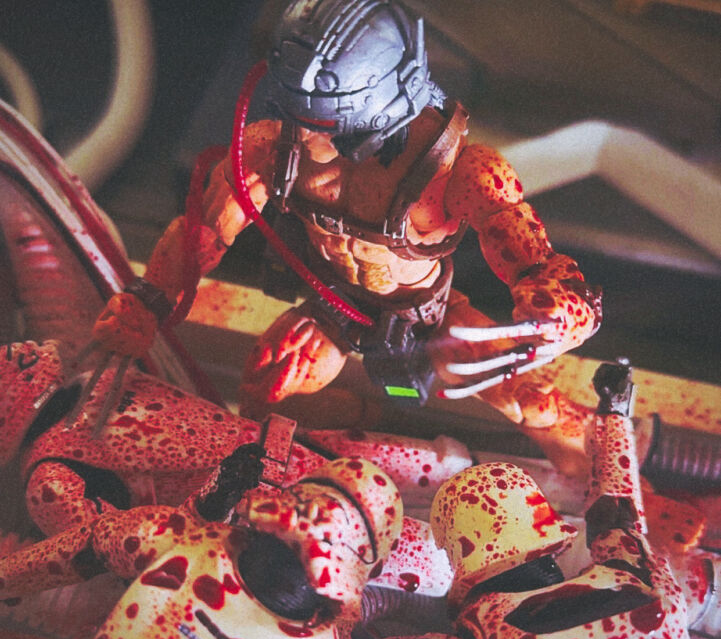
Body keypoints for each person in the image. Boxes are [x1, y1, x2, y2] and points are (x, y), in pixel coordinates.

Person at [90, 0, 601, 476]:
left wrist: (563, 310)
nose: (313, 135)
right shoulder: (274, 145)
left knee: (530, 402)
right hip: (335, 306)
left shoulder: (458, 170)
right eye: (305, 117)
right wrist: (147, 300)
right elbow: (205, 232)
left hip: (426, 310)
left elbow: (534, 259)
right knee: (267, 385)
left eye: (332, 122)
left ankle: (593, 458)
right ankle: (344, 438)